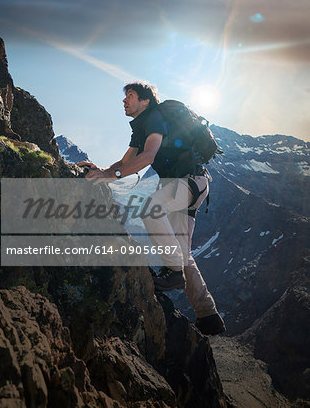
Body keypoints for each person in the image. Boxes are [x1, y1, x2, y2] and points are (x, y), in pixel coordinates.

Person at [78, 81, 225, 335]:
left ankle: (172, 272)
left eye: (130, 96)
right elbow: (125, 163)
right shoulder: (141, 127)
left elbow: (147, 157)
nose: (124, 101)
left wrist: (110, 173)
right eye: (125, 97)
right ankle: (208, 315)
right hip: (192, 185)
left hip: (187, 183)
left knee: (150, 209)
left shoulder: (154, 118)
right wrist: (102, 172)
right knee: (183, 254)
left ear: (145, 100)